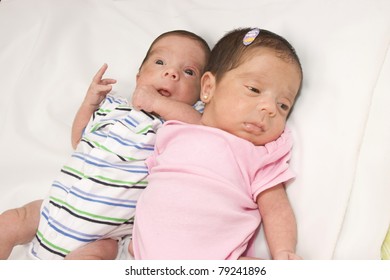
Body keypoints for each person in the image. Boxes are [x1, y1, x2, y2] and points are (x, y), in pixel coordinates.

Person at [0, 30, 210, 260]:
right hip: (52, 211)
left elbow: (203, 128)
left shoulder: (174, 123)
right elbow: (78, 139)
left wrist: (157, 102)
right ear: (139, 76)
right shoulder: (113, 106)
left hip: (102, 235)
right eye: (160, 62)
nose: (171, 73)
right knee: (11, 221)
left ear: (201, 94)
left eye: (188, 72)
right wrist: (89, 103)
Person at [130, 27, 303, 260]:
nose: (270, 108)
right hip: (144, 255)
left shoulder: (258, 155)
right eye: (254, 89)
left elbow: (276, 209)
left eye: (283, 105)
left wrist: (284, 251)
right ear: (209, 88)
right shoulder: (175, 130)